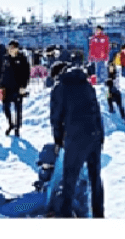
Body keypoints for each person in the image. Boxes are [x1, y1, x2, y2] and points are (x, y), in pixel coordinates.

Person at [50, 65, 106, 218]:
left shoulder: (60, 87)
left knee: (70, 178)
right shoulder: (86, 85)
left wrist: (58, 140)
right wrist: (101, 136)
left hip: (75, 137)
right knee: (95, 178)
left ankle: (66, 215)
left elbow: (56, 117)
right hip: (94, 134)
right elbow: (97, 110)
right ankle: (99, 214)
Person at [0, 41, 31, 136]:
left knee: (18, 108)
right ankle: (10, 124)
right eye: (9, 48)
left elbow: (26, 73)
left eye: (12, 48)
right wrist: (0, 85)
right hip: (6, 87)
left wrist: (24, 86)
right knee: (5, 108)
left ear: (17, 48)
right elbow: (2, 72)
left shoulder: (22, 58)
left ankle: (17, 127)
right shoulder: (5, 58)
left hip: (18, 87)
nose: (10, 50)